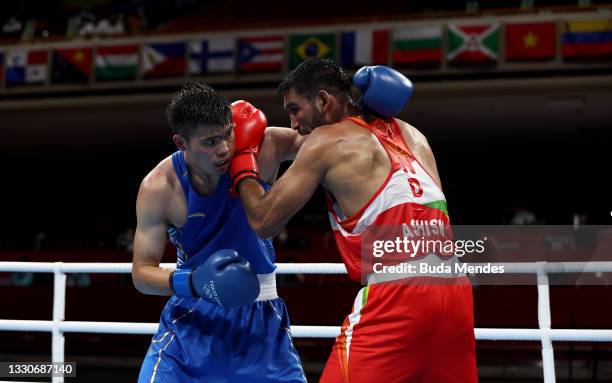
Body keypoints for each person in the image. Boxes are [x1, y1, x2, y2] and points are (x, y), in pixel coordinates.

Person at [231, 59, 478, 382]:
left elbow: (263, 221)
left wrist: (242, 163)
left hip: (398, 294)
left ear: (322, 100)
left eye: (295, 110)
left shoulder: (326, 141)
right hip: (455, 290)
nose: (293, 123)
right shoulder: (412, 134)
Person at [132, 83, 307, 382]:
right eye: (210, 142)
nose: (225, 148)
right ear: (181, 143)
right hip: (191, 321)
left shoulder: (263, 147)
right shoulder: (160, 187)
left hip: (261, 321)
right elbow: (142, 274)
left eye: (227, 133)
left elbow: (330, 141)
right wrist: (195, 283)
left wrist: (358, 110)